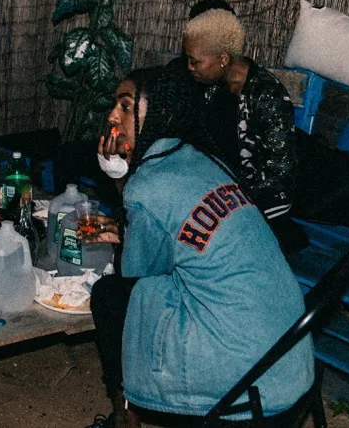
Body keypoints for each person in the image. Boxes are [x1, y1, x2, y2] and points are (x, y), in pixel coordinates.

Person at [87, 68, 314, 428]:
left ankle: (124, 418)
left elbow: (135, 274)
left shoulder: (146, 186)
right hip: (291, 366)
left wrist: (118, 178)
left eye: (126, 106)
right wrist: (133, 225)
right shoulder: (202, 159)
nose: (113, 117)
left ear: (161, 113)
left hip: (243, 387)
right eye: (116, 105)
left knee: (110, 296)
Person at [180, 8, 306, 253]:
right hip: (219, 198)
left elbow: (280, 174)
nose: (189, 67)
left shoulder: (266, 96)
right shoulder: (210, 89)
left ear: (223, 59)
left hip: (259, 207)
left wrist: (224, 201)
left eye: (195, 61)